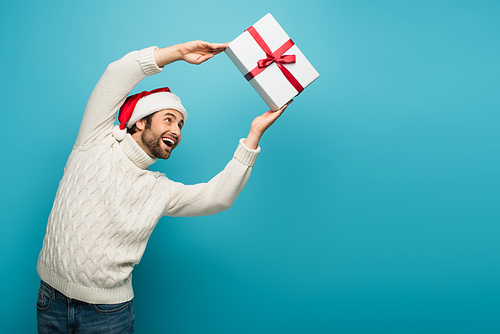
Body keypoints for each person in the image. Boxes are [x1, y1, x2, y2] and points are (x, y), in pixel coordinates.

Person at [36, 40, 291, 333]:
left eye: (181, 125)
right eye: (168, 119)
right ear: (140, 123)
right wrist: (179, 53)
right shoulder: (94, 143)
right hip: (50, 300)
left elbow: (217, 197)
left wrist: (253, 135)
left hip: (108, 314)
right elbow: (116, 74)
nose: (176, 130)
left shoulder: (161, 189)